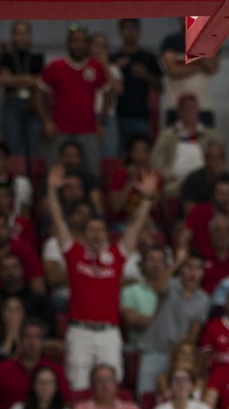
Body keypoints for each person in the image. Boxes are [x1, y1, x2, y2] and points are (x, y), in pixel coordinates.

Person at [48, 164, 158, 389]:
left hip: (109, 332)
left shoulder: (117, 255)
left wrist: (146, 198)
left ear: (107, 234)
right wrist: (51, 190)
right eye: (92, 230)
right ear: (84, 233)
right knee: (77, 386)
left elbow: (136, 226)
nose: (96, 234)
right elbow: (59, 220)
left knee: (111, 387)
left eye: (101, 230)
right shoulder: (74, 253)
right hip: (80, 332)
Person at [136, 250, 211, 395]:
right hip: (154, 351)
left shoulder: (203, 299)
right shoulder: (170, 285)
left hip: (178, 357)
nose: (192, 272)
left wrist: (187, 353)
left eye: (197, 268)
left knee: (173, 396)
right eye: (188, 267)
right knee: (146, 395)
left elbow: (194, 329)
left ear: (202, 273)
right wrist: (176, 262)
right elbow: (157, 287)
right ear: (182, 269)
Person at [37, 26, 108, 171]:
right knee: (54, 171)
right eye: (75, 41)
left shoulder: (96, 67)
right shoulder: (55, 66)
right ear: (68, 43)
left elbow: (108, 94)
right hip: (59, 129)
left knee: (92, 171)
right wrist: (46, 121)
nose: (79, 45)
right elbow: (39, 93)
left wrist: (101, 123)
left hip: (88, 130)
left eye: (82, 41)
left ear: (87, 44)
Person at [0, 318, 69, 409]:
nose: (32, 342)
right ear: (20, 339)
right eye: (27, 337)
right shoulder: (2, 368)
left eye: (37, 337)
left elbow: (67, 403)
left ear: (43, 342)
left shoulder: (55, 369)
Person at [152, 96, 223, 199]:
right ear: (179, 111)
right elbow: (156, 160)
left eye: (192, 108)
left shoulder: (211, 135)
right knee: (169, 191)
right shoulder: (167, 135)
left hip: (205, 180)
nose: (189, 111)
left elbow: (220, 158)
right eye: (185, 108)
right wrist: (170, 176)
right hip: (174, 181)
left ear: (198, 110)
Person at [0, 21, 44, 163]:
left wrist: (14, 79)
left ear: (30, 36)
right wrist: (28, 78)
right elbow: (3, 80)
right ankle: (16, 181)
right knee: (13, 145)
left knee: (33, 146)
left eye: (25, 34)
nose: (22, 37)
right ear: (13, 36)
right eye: (19, 33)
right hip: (12, 101)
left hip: (33, 102)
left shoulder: (37, 58)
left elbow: (40, 82)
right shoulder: (5, 57)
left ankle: (30, 182)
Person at [160, 19, 219, 127]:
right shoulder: (170, 42)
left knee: (207, 141)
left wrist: (184, 64)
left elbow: (211, 66)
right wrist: (199, 63)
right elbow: (173, 71)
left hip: (203, 105)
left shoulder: (208, 40)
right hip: (175, 105)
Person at [112, 18, 163, 142]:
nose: (130, 32)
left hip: (142, 115)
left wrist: (146, 75)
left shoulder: (147, 57)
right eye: (126, 28)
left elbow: (161, 86)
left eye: (133, 28)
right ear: (120, 31)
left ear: (139, 31)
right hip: (117, 116)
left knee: (143, 152)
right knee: (118, 157)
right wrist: (114, 69)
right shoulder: (113, 58)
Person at [184, 173, 229, 256]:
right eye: (221, 194)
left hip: (228, 263)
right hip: (201, 261)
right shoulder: (198, 210)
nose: (225, 198)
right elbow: (186, 236)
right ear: (213, 195)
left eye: (228, 194)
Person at [107, 135, 163, 230]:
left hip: (148, 223)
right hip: (123, 223)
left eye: (143, 151)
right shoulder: (119, 174)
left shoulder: (155, 176)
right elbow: (115, 207)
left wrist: (142, 182)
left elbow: (153, 206)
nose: (139, 155)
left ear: (149, 154)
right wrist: (130, 181)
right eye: (135, 151)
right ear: (130, 153)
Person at [120, 246, 169, 349]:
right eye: (151, 259)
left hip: (169, 350)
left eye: (160, 261)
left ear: (165, 265)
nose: (156, 264)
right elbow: (131, 318)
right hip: (139, 349)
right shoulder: (130, 290)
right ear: (143, 263)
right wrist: (166, 324)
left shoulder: (173, 292)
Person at [0, 212, 45, 294]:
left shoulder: (25, 249)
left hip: (24, 297)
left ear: (9, 229)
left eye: (2, 227)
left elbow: (37, 282)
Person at [181, 141, 229, 211]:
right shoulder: (193, 179)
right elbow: (189, 209)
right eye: (213, 158)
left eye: (220, 158)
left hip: (224, 219)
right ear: (206, 160)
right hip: (198, 218)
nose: (216, 162)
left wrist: (219, 178)